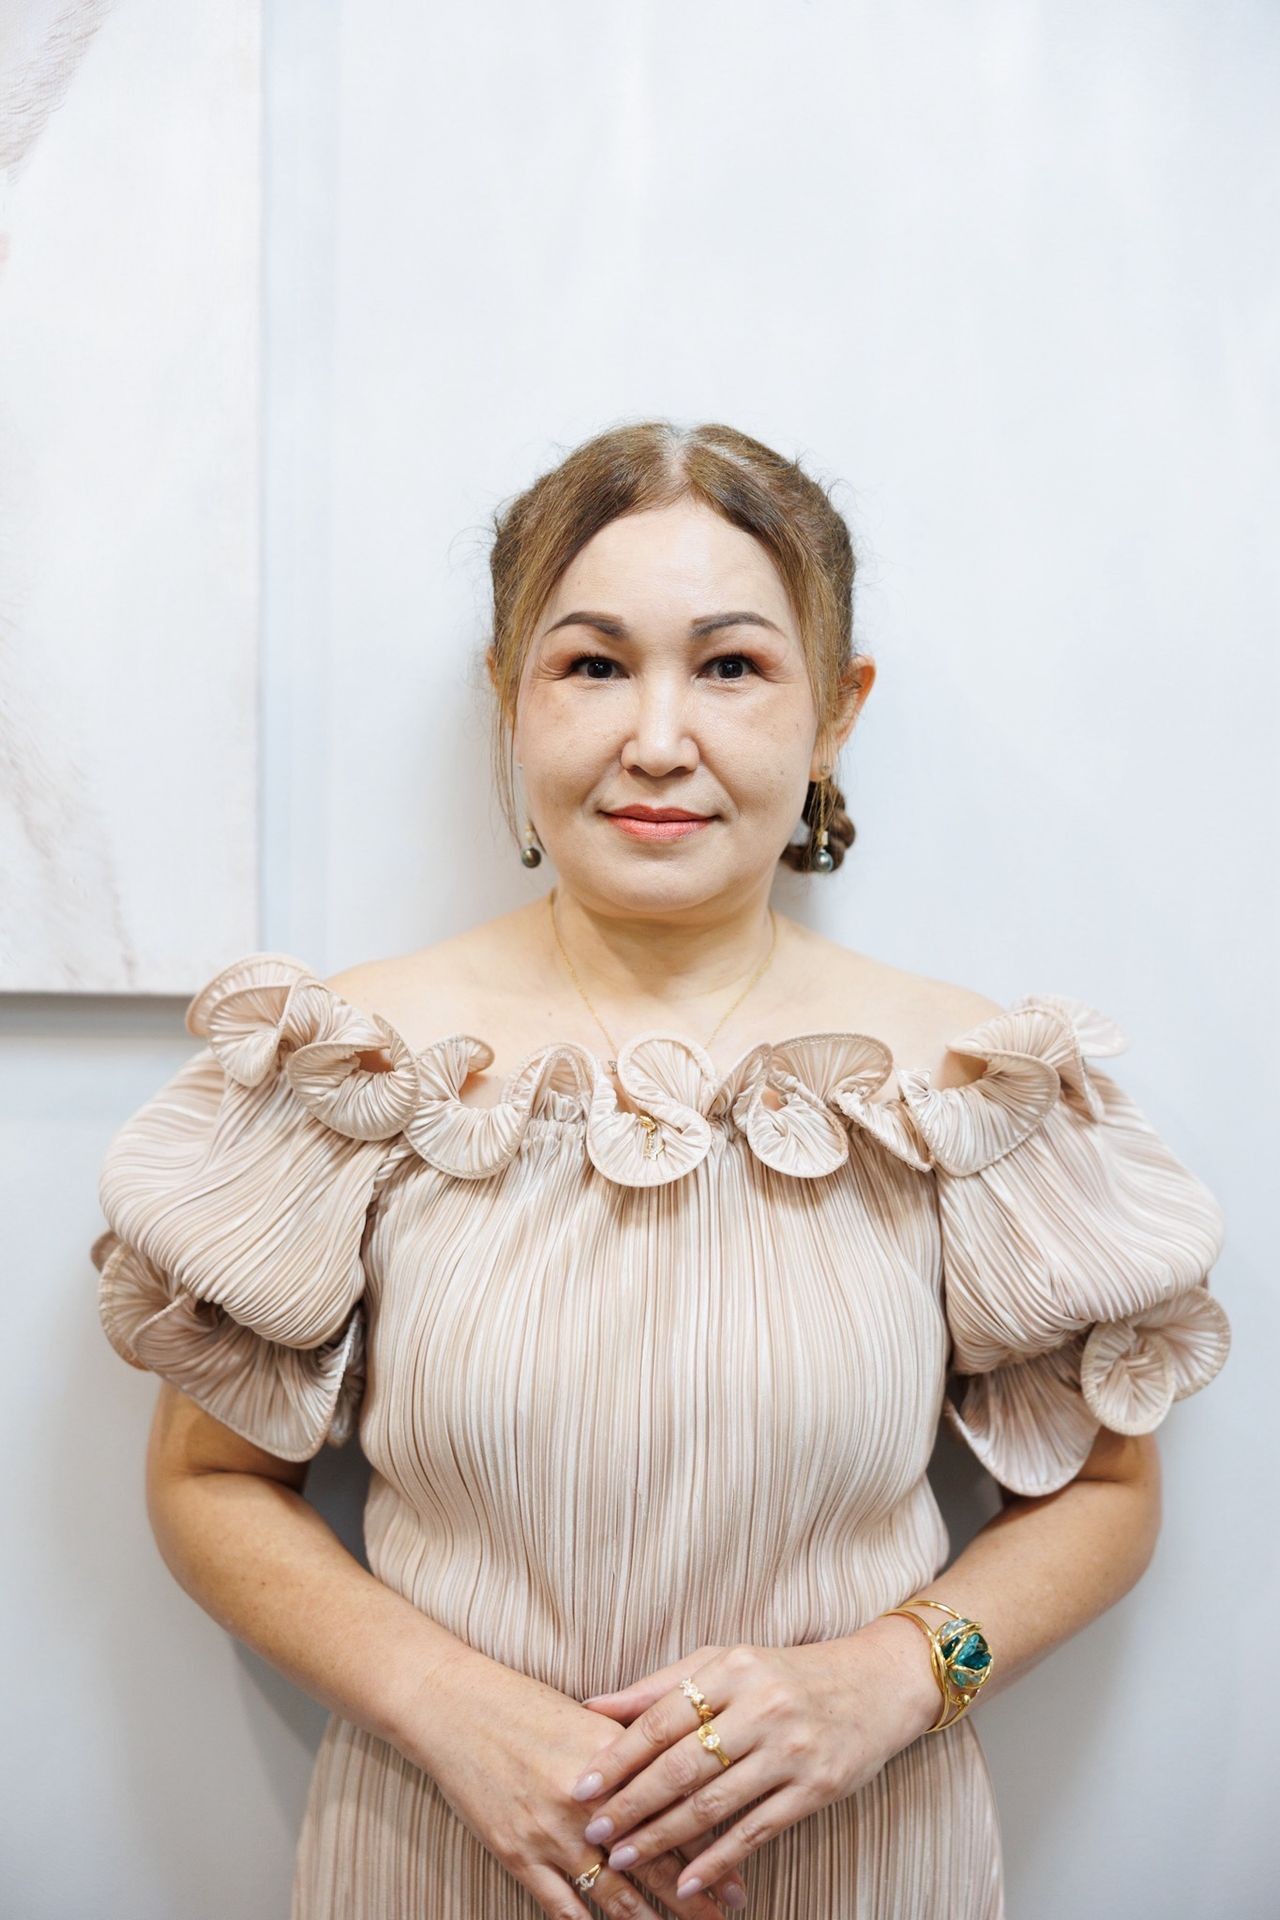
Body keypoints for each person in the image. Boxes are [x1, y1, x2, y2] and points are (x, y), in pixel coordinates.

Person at [91, 421, 1232, 1919]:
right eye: (591, 665)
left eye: (733, 667)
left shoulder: (968, 1088)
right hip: (444, 1850)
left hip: (856, 1858)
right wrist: (455, 1710)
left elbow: (1109, 1496)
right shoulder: (359, 1070)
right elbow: (209, 1485)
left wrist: (893, 1679)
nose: (656, 739)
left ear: (835, 715)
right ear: (512, 701)